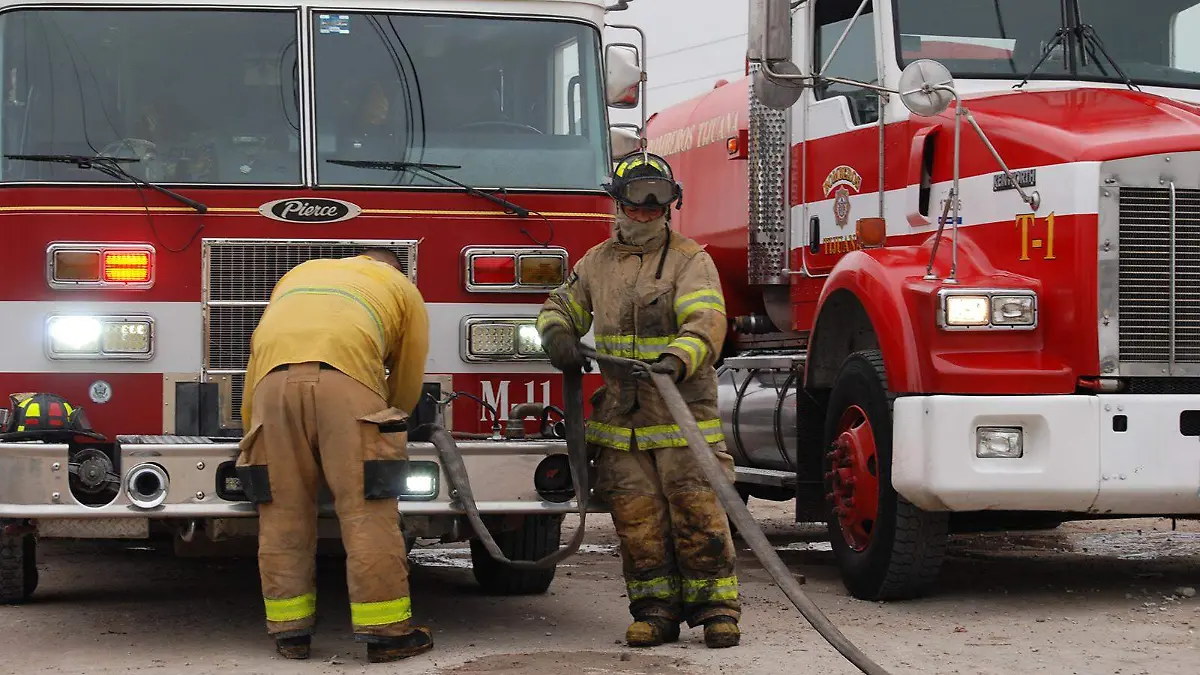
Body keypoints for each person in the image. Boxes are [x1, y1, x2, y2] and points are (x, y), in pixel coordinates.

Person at [535, 151, 741, 649]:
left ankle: (716, 611)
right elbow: (559, 305)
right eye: (636, 202)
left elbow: (707, 321)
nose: (646, 211)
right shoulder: (596, 263)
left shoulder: (690, 260)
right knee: (636, 520)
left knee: (698, 511)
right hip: (620, 422)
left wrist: (677, 359)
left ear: (671, 204)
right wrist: (557, 334)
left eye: (656, 202)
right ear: (618, 203)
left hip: (680, 417)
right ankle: (654, 611)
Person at [235, 247, 432, 663]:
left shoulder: (299, 274)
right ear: (394, 269)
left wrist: (252, 431)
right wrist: (391, 420)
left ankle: (290, 633)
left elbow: (256, 360)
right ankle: (387, 635)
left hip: (271, 388)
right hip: (348, 382)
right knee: (366, 513)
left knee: (282, 511)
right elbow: (409, 369)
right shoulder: (400, 287)